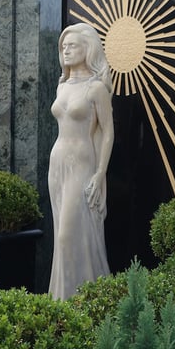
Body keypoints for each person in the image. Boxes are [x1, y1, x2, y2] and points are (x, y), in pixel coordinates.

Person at [48, 23, 114, 300]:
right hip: (57, 163)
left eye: (72, 45)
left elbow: (108, 132)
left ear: (88, 49)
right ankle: (62, 301)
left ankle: (87, 300)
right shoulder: (62, 86)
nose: (66, 50)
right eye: (64, 46)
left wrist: (100, 174)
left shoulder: (96, 88)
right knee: (60, 240)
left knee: (69, 234)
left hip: (83, 165)